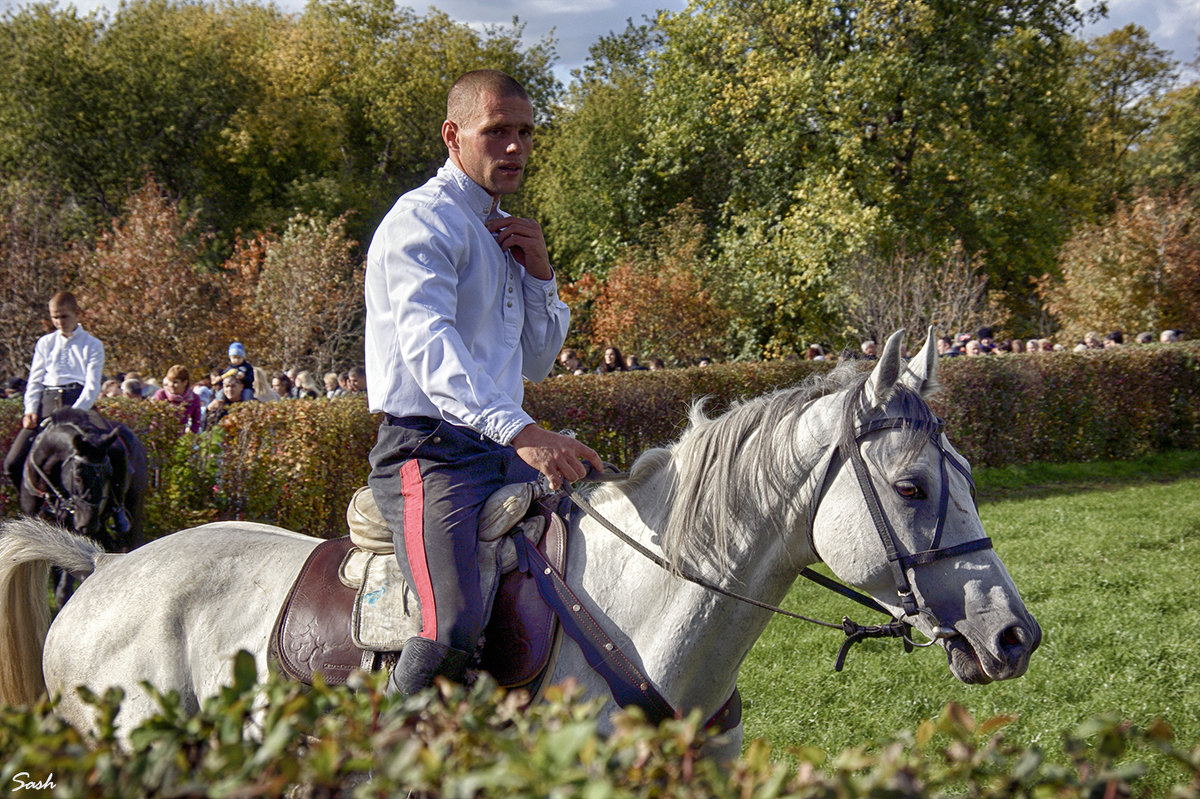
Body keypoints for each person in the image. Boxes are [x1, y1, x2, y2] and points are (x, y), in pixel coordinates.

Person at [363, 69, 601, 699]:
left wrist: (541, 275)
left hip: (499, 452)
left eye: (525, 131)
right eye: (497, 131)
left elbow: (541, 360)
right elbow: (429, 352)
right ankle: (369, 774)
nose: (516, 146)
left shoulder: (507, 233)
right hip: (427, 454)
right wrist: (521, 430)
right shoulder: (422, 223)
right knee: (451, 630)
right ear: (453, 136)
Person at [3, 291, 130, 532]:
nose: (59, 322)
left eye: (64, 316)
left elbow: (92, 386)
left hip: (79, 404)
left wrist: (73, 413)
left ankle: (117, 506)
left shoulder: (93, 344)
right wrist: (30, 409)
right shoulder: (45, 343)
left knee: (117, 448)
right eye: (55, 317)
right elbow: (35, 380)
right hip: (47, 402)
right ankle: (34, 506)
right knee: (12, 462)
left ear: (77, 314)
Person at [152, 364, 202, 433]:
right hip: (161, 435)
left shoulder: (193, 398)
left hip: (181, 438)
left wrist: (189, 437)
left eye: (175, 382)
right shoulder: (161, 395)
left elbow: (196, 421)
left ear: (185, 383)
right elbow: (154, 418)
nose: (171, 385)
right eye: (169, 381)